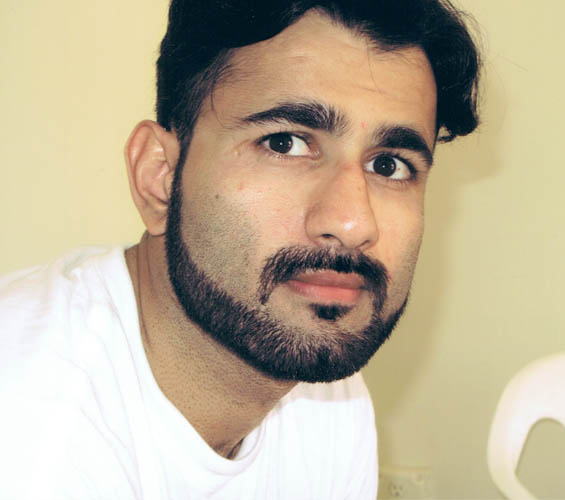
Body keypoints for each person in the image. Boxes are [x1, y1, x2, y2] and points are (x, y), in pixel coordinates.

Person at [0, 1, 480, 498]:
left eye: (389, 166)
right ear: (159, 177)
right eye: (285, 144)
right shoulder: (28, 427)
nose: (353, 223)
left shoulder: (328, 401)